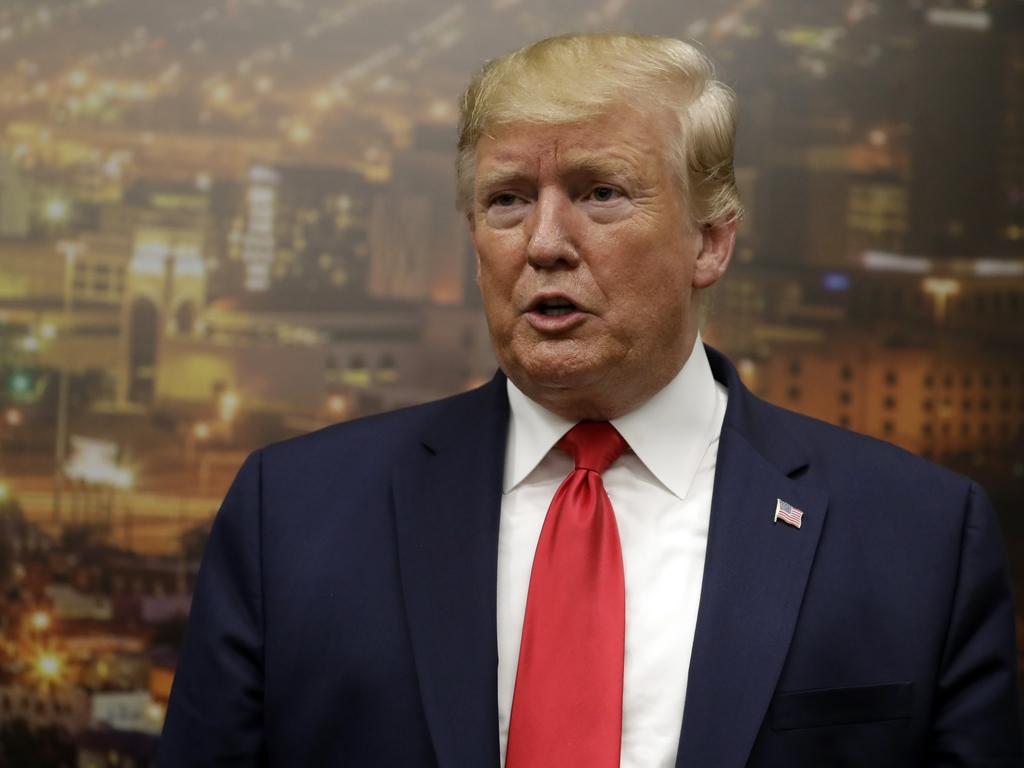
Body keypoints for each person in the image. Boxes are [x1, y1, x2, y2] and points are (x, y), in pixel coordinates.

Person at [158, 32, 1022, 767]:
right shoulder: (294, 515)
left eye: (600, 192)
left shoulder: (921, 538)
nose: (543, 243)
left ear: (711, 242)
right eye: (506, 200)